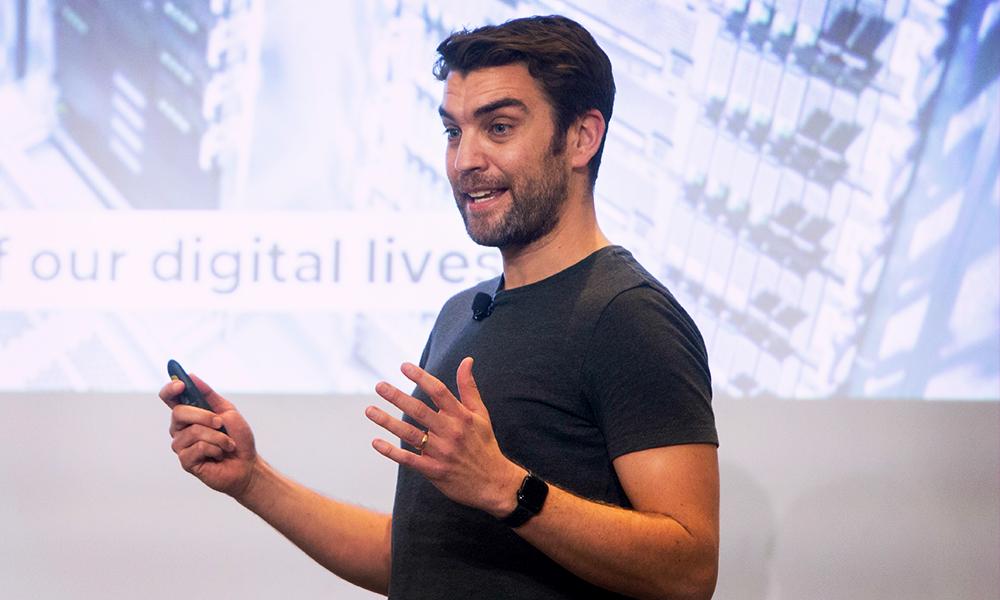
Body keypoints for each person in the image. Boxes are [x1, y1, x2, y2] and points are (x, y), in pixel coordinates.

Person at [161, 15, 719, 600]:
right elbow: (411, 561)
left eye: (499, 127)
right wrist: (252, 479)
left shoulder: (628, 315)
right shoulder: (462, 312)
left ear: (582, 137)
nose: (464, 161)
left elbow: (688, 571)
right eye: (453, 132)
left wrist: (507, 488)